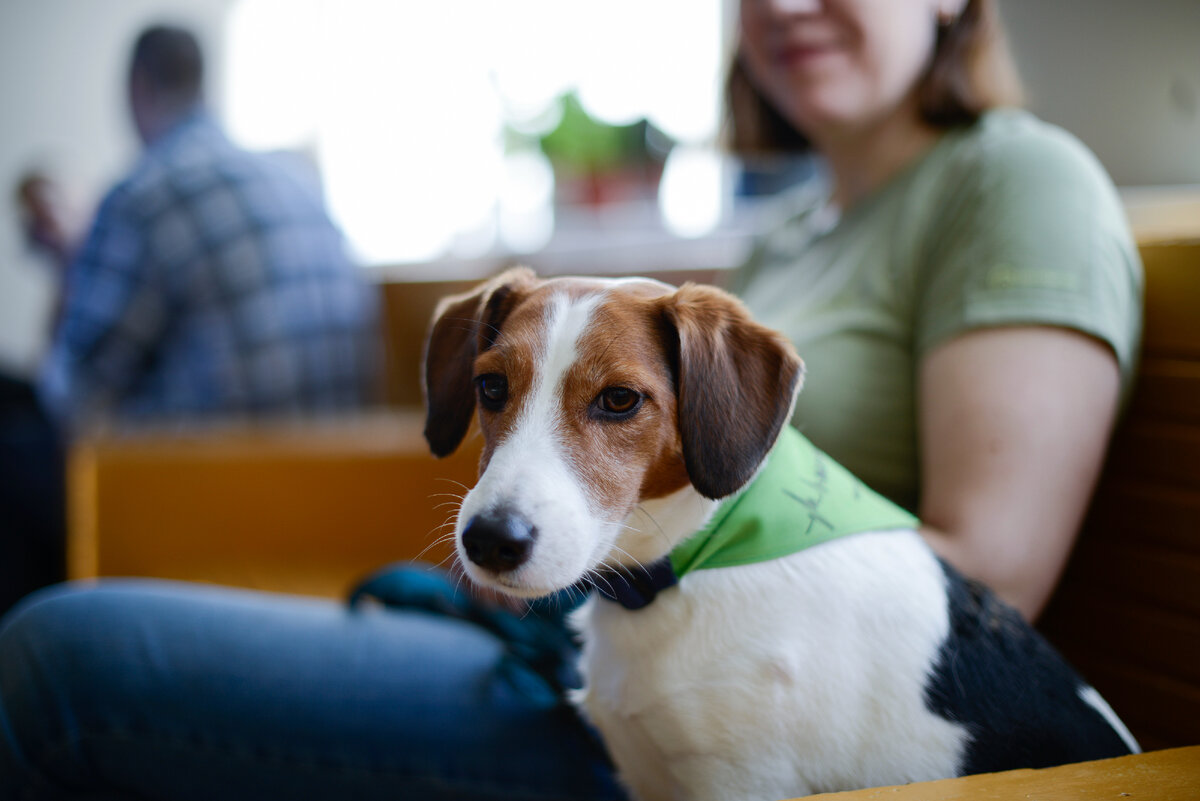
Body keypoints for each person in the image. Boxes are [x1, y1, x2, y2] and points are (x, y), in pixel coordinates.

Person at [0, 2, 1141, 798]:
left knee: (59, 656)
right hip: (601, 640)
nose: (787, 2)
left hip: (736, 700)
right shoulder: (798, 224)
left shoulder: (1017, 179)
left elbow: (992, 572)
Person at [29, 26, 379, 430]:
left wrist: (66, 274)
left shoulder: (142, 197)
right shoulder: (297, 180)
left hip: (217, 484)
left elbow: (73, 396)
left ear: (137, 87)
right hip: (342, 476)